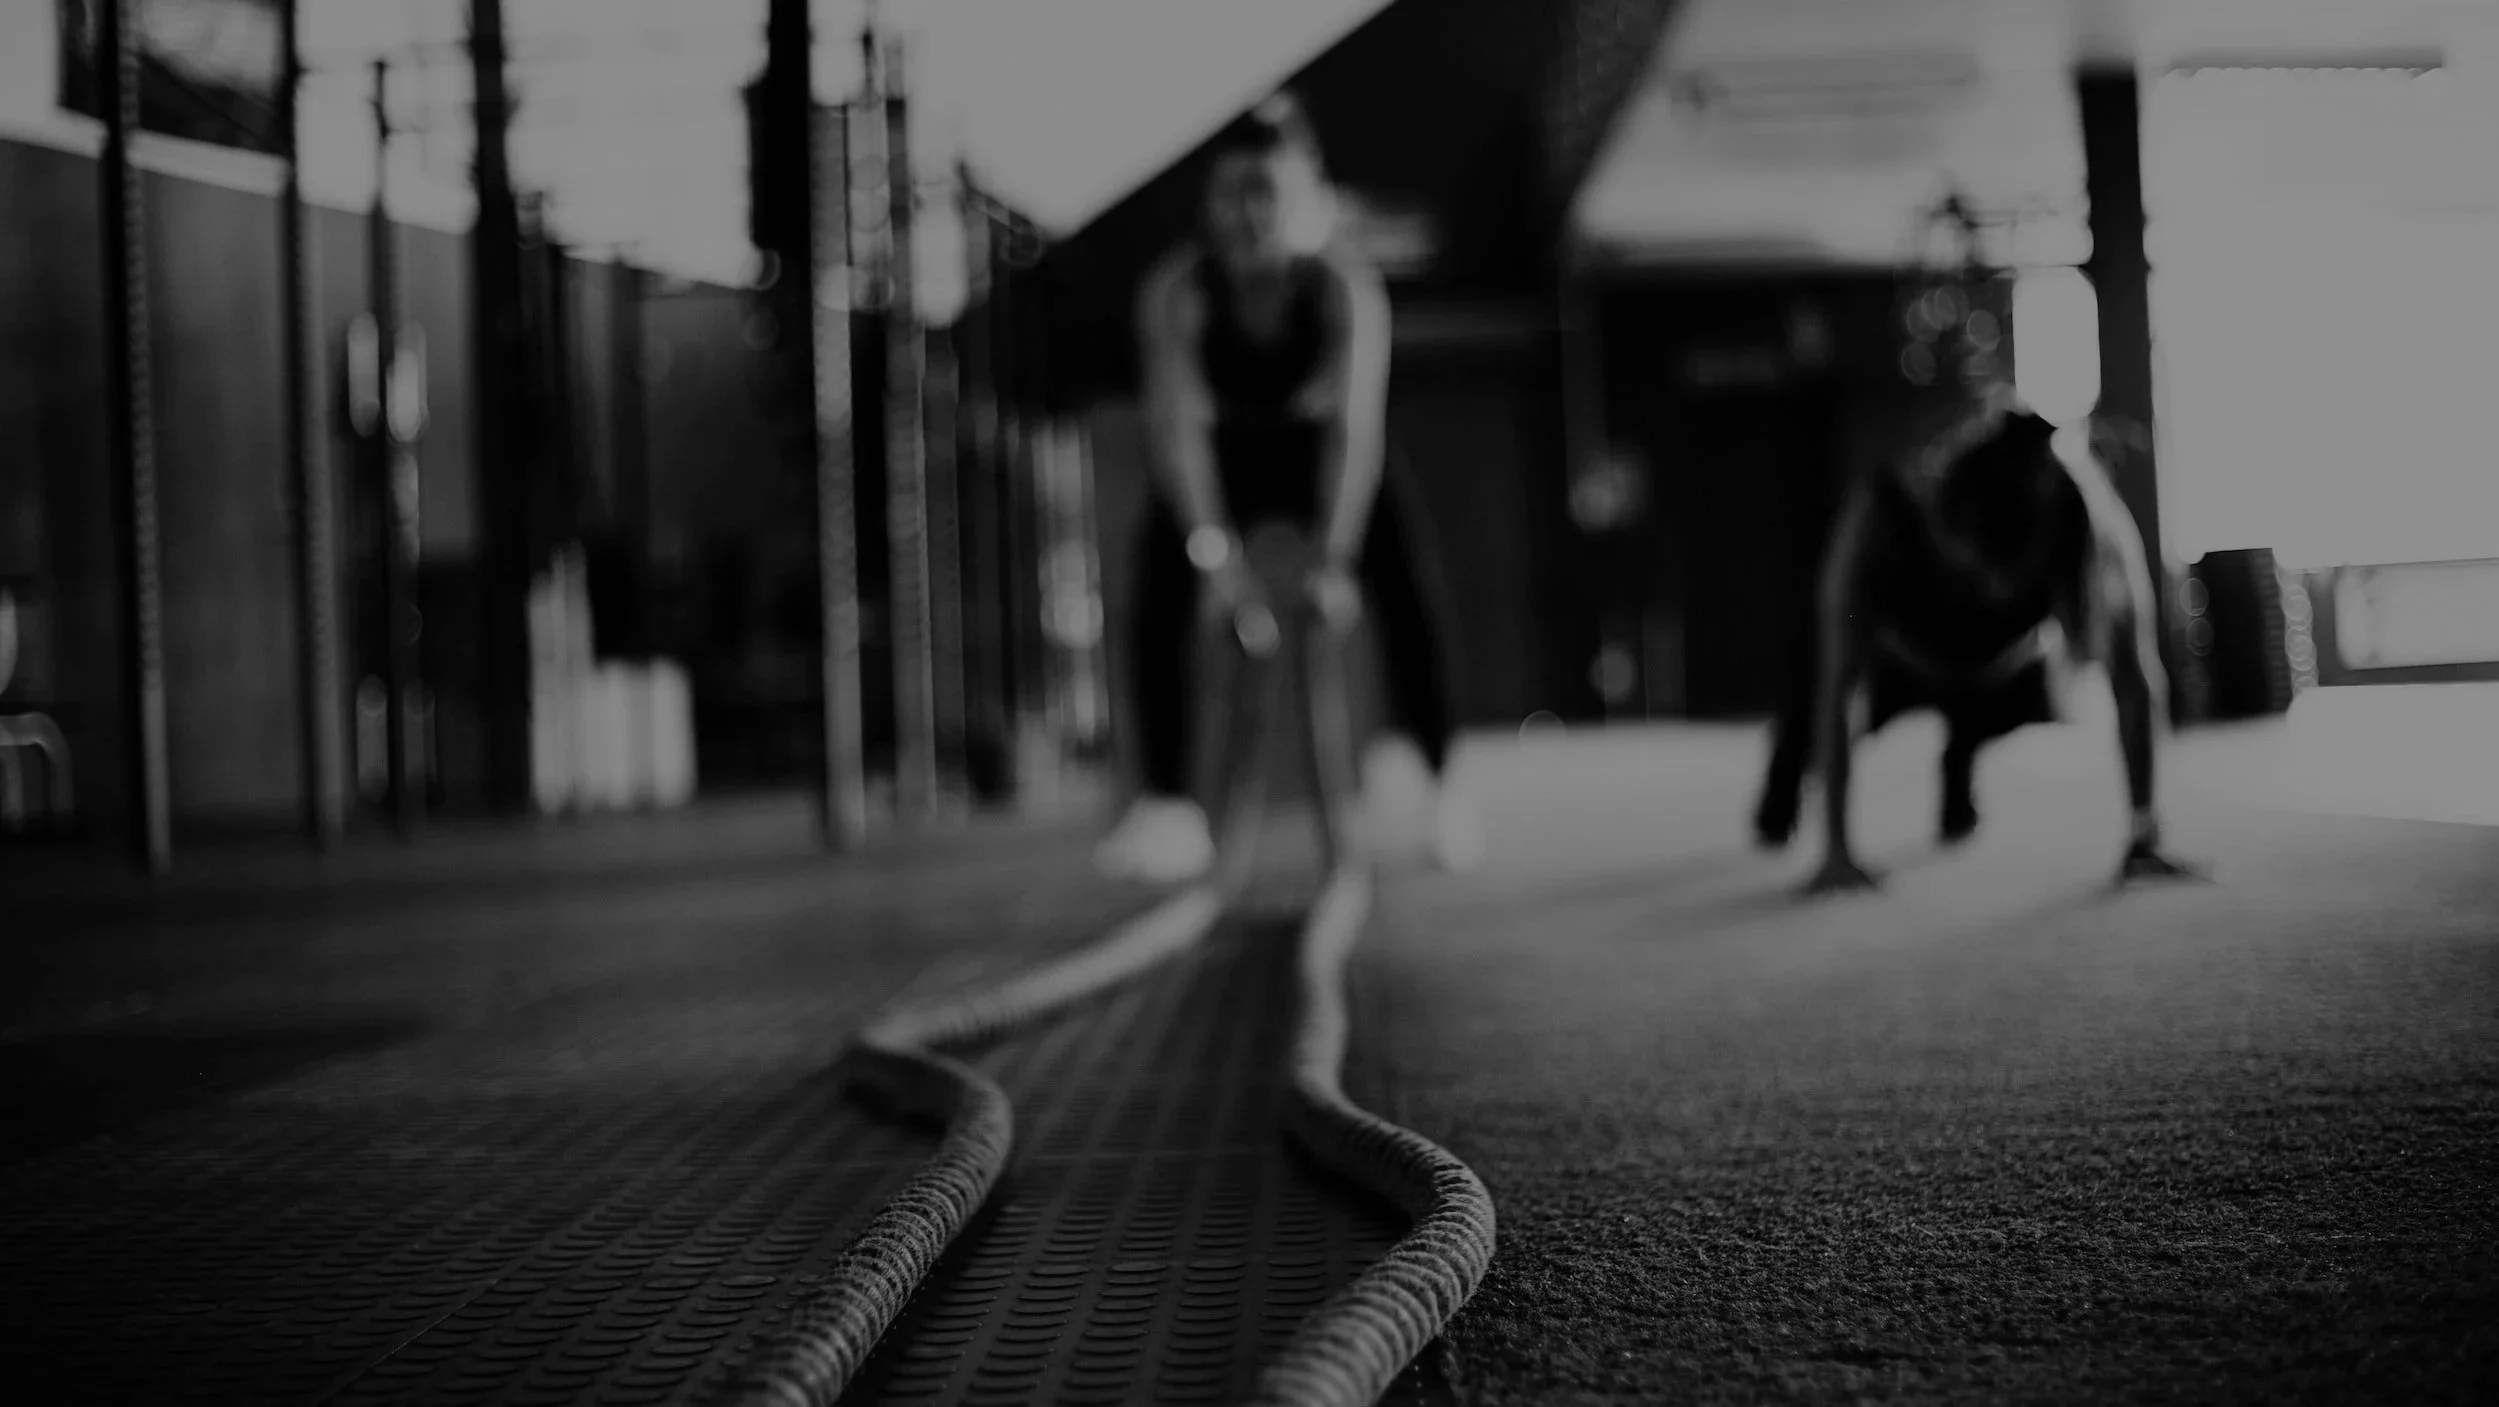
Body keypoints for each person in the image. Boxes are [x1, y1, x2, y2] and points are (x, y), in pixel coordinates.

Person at [1094, 93, 1483, 882]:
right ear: (1208, 205)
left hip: (1317, 457)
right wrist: (1217, 567)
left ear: (1302, 199)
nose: (1245, 215)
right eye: (1228, 195)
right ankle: (1167, 805)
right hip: (1226, 458)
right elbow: (1179, 437)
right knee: (1156, 575)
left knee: (1404, 572)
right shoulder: (1178, 293)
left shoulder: (1342, 290)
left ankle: (1435, 783)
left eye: (1263, 192)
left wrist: (1333, 563)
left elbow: (1352, 434)